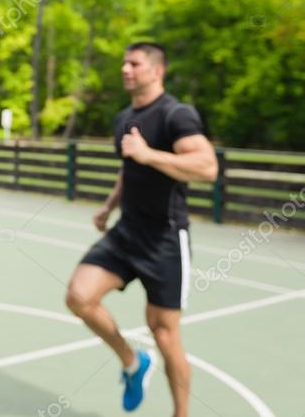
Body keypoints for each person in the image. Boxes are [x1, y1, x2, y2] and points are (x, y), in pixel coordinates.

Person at [65, 43, 217, 416]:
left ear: (156, 70)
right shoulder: (123, 119)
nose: (125, 69)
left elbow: (207, 167)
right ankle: (133, 363)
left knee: (164, 335)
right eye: (124, 62)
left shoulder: (176, 114)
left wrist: (148, 153)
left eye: (134, 63)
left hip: (164, 240)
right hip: (126, 230)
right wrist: (108, 205)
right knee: (79, 297)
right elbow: (128, 169)